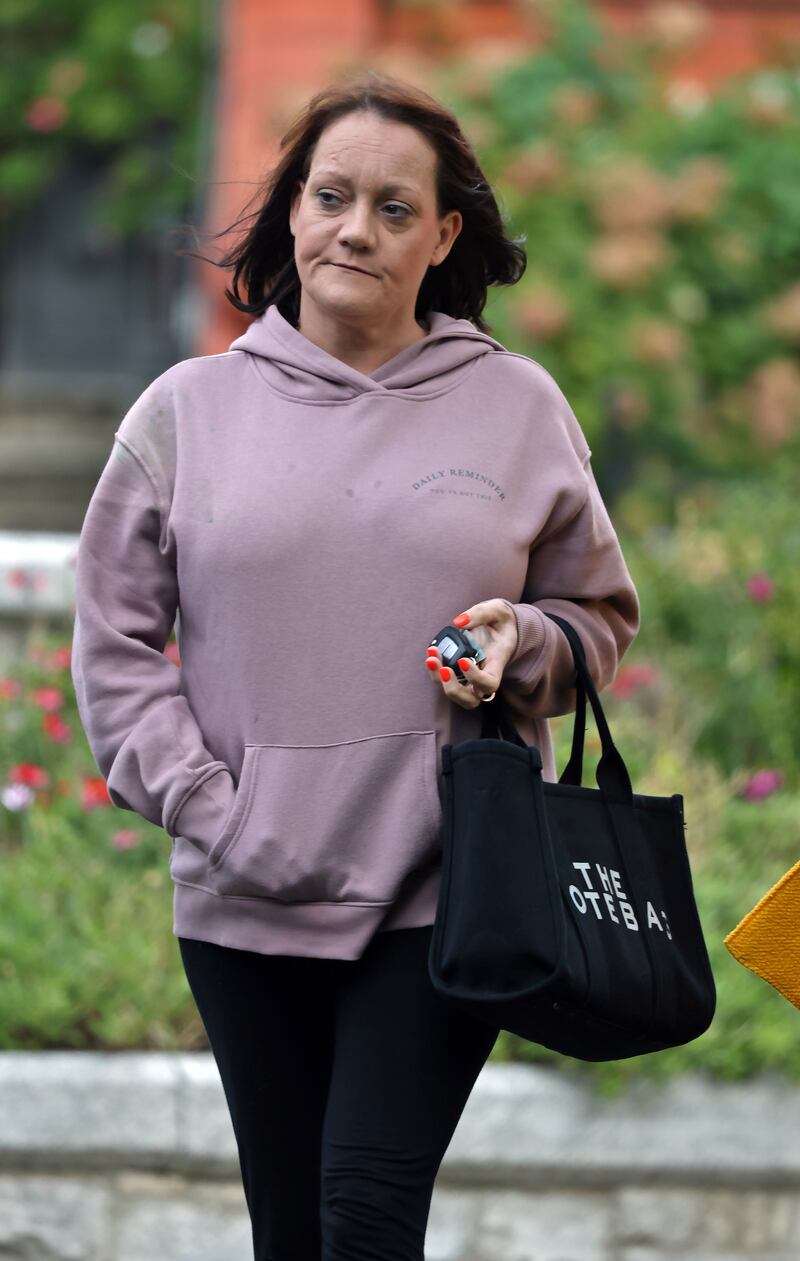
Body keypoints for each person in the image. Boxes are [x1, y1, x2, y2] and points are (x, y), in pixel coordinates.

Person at [70, 72, 640, 1261]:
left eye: (393, 208)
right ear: (292, 213)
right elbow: (114, 641)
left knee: (365, 1217)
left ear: (440, 237)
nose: (356, 230)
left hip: (444, 892)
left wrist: (522, 642)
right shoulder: (184, 412)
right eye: (332, 196)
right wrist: (213, 814)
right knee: (292, 1228)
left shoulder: (517, 408)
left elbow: (594, 615)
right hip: (245, 890)